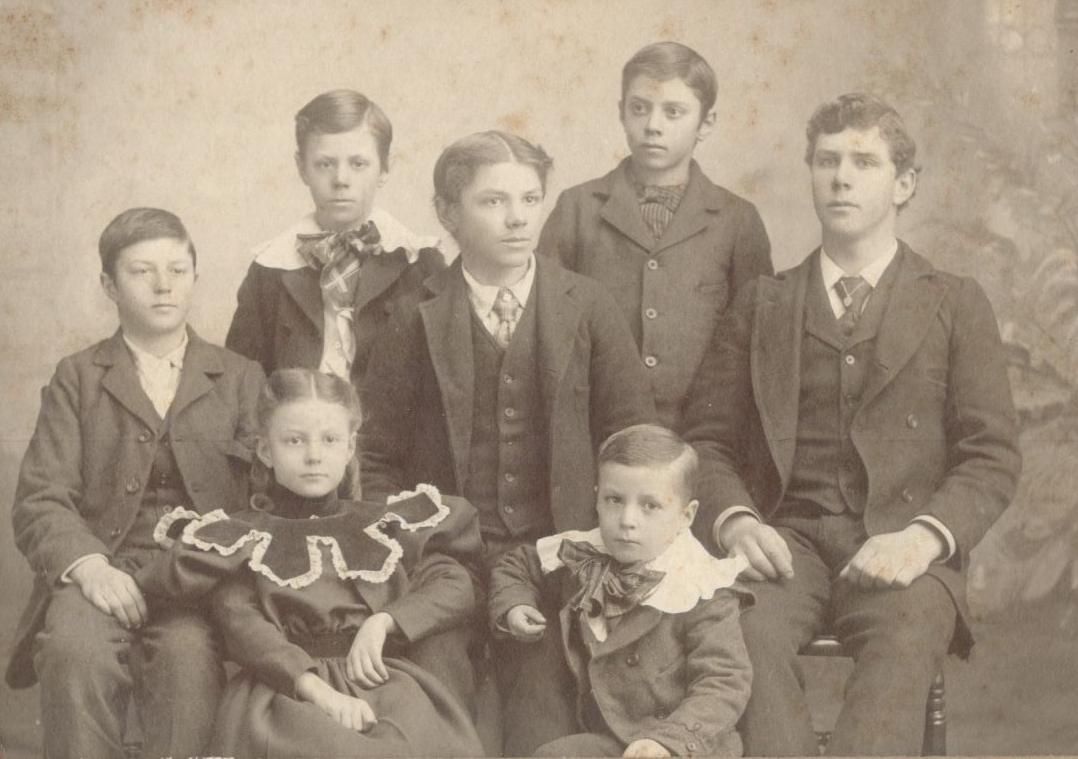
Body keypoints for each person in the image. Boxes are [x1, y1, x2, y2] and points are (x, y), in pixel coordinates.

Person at [681, 93, 1022, 755]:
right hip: (785, 541)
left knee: (905, 637)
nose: (841, 177)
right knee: (739, 629)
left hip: (904, 545)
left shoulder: (954, 302)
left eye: (864, 162)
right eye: (827, 160)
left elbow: (991, 454)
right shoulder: (763, 302)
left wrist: (923, 538)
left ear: (904, 184)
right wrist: (737, 522)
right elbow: (707, 440)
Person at [359, 129, 656, 725]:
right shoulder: (414, 316)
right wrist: (413, 551)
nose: (518, 218)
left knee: (544, 699)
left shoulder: (587, 305)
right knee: (436, 691)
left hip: (556, 557)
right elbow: (377, 459)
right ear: (448, 213)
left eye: (529, 198)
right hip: (446, 563)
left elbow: (633, 440)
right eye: (493, 201)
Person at [8, 207, 264, 759]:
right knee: (74, 653)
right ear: (109, 285)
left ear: (195, 277)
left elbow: (261, 503)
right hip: (100, 569)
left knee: (187, 663)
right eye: (142, 271)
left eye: (177, 270)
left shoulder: (240, 377)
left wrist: (210, 568)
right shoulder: (78, 377)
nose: (163, 285)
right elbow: (41, 497)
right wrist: (91, 567)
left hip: (196, 583)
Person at [135, 368, 485, 757]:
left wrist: (385, 622)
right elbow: (243, 626)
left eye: (330, 439)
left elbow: (454, 585)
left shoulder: (383, 524)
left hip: (379, 680)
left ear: (350, 448)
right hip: (288, 693)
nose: (314, 456)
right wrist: (321, 693)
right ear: (265, 451)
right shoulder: (244, 536)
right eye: (294, 440)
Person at [537, 41, 772, 429]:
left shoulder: (737, 220)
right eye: (639, 108)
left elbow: (756, 344)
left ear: (706, 123)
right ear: (621, 112)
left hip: (701, 434)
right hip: (596, 428)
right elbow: (545, 325)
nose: (652, 126)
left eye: (673, 112)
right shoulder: (577, 208)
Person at [489, 424, 752, 757]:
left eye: (650, 506)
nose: (627, 520)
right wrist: (515, 604)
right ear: (597, 499)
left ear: (686, 515)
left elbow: (724, 681)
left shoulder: (700, 585)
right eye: (614, 500)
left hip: (679, 745)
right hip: (611, 735)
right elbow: (518, 564)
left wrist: (668, 741)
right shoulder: (584, 552)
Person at [226, 88, 445, 386]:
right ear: (302, 168)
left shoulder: (421, 263)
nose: (341, 180)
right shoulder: (270, 270)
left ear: (385, 168)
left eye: (358, 164)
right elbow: (241, 383)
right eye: (325, 164)